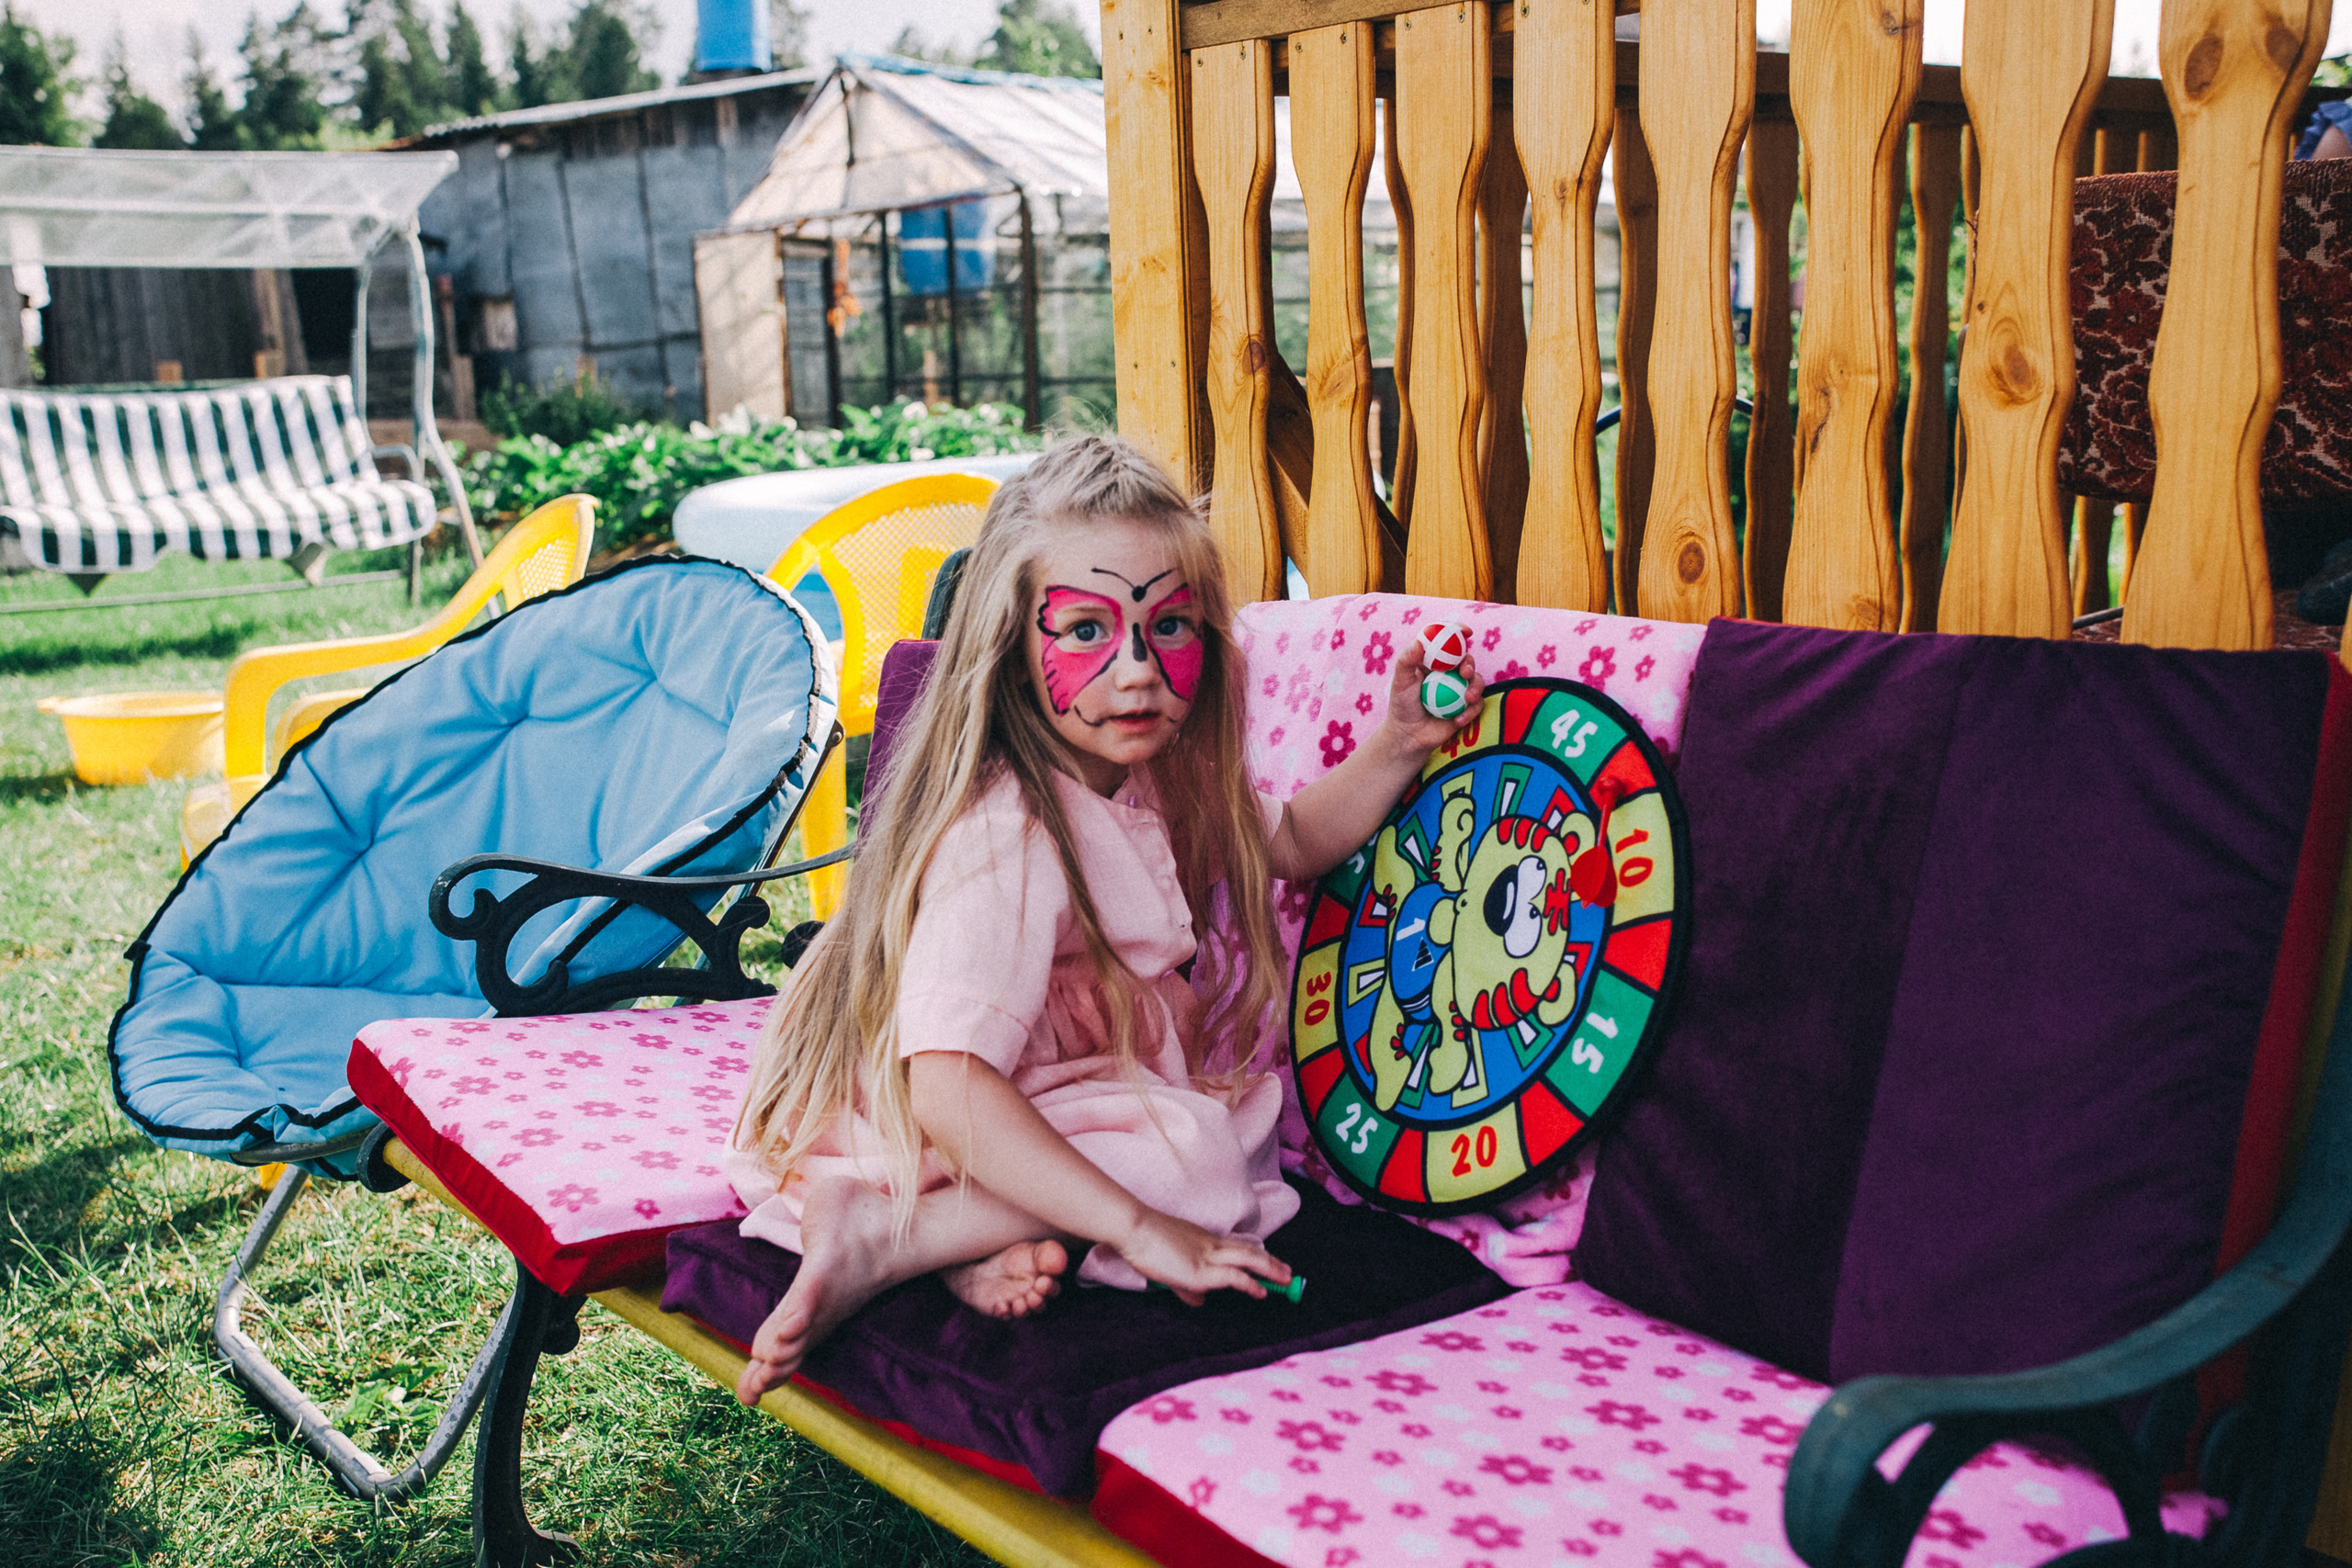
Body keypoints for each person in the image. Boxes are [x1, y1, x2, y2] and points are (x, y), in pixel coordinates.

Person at [724, 434, 1482, 1404]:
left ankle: (959, 1238)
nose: (1135, 672)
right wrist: (1135, 1227)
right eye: (1083, 630)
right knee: (1195, 1169)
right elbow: (949, 1086)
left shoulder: (1158, 774)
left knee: (1207, 1144)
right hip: (946, 1101)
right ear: (1009, 645)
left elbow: (1288, 839)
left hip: (1032, 1092)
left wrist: (1398, 742)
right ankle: (887, 1232)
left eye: (1169, 627)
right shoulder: (1010, 831)